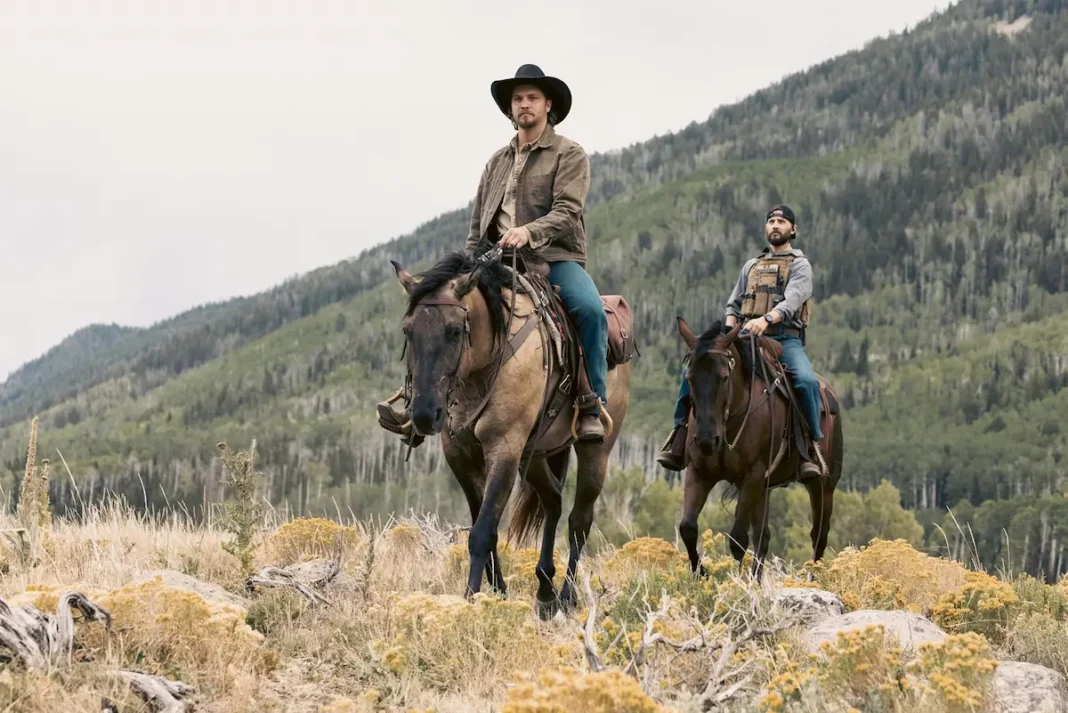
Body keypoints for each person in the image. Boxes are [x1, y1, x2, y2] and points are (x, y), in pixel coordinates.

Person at [378, 64, 609, 441]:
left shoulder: (569, 154)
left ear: (548, 105)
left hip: (552, 258)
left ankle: (591, 402)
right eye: (518, 99)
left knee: (590, 310)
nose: (524, 104)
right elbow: (478, 224)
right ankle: (420, 401)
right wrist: (466, 266)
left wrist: (528, 232)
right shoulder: (496, 162)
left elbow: (568, 211)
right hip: (494, 261)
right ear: (510, 108)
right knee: (435, 311)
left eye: (532, 97)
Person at [656, 205, 825, 480]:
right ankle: (679, 435)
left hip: (784, 339)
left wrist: (767, 319)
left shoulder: (799, 265)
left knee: (805, 381)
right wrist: (729, 329)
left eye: (781, 221)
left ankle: (810, 447)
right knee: (696, 371)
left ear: (792, 230)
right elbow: (734, 304)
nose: (775, 225)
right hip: (745, 337)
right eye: (771, 221)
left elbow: (793, 300)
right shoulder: (751, 266)